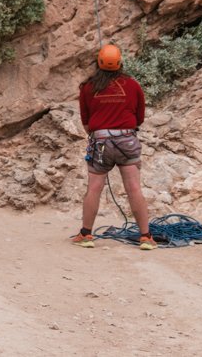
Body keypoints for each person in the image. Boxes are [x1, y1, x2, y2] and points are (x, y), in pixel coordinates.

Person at [73, 44, 156, 250]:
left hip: (100, 142)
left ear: (98, 63)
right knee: (134, 188)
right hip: (127, 140)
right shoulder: (133, 85)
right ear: (120, 63)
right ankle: (145, 237)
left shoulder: (88, 88)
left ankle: (86, 235)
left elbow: (86, 122)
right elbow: (139, 118)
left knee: (94, 188)